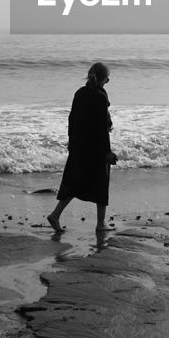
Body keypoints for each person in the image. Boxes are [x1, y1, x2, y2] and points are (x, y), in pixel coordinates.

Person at [48, 62, 118, 233]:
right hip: (96, 148)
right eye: (107, 78)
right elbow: (102, 129)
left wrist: (72, 143)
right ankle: (100, 224)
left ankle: (55, 215)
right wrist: (107, 152)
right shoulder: (100, 97)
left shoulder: (80, 93)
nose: (108, 81)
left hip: (79, 146)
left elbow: (72, 120)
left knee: (75, 183)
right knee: (101, 183)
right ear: (102, 79)